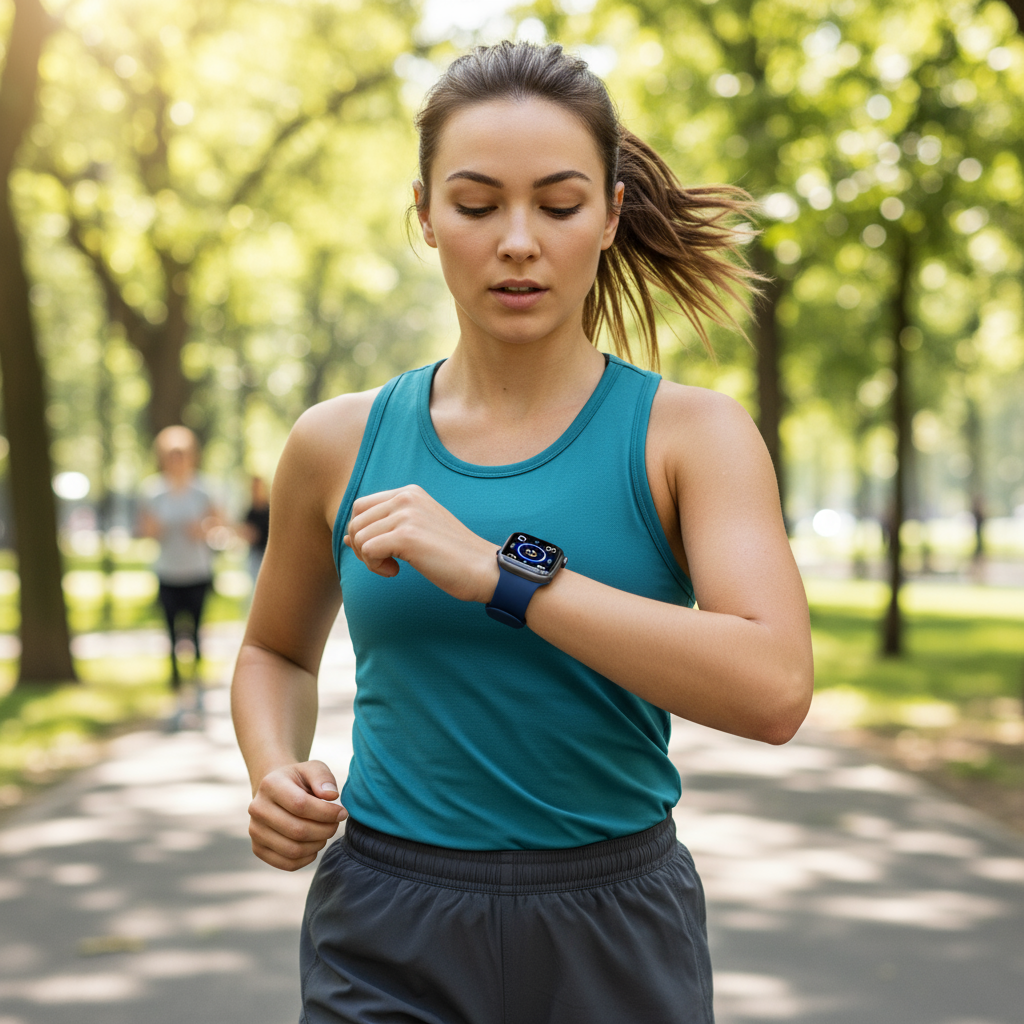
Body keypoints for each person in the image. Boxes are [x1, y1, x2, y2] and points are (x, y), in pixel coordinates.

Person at [232, 41, 813, 1024]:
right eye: (474, 204)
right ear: (422, 215)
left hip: (612, 926)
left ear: (610, 214)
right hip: (385, 922)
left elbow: (774, 687)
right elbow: (274, 650)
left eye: (556, 204)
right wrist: (272, 768)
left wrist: (500, 577)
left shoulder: (691, 437)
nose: (515, 240)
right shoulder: (336, 441)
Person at [139, 426, 220, 729]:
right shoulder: (153, 491)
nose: (177, 460)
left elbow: (218, 524)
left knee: (196, 634)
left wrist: (202, 530)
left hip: (197, 572)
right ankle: (176, 695)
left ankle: (197, 691)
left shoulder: (204, 488)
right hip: (167, 573)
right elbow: (144, 530)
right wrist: (155, 528)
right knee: (172, 636)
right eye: (171, 455)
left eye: (181, 454)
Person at [240, 475, 271, 588]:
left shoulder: (270, 509)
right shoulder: (250, 510)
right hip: (254, 553)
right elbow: (245, 530)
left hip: (269, 554)